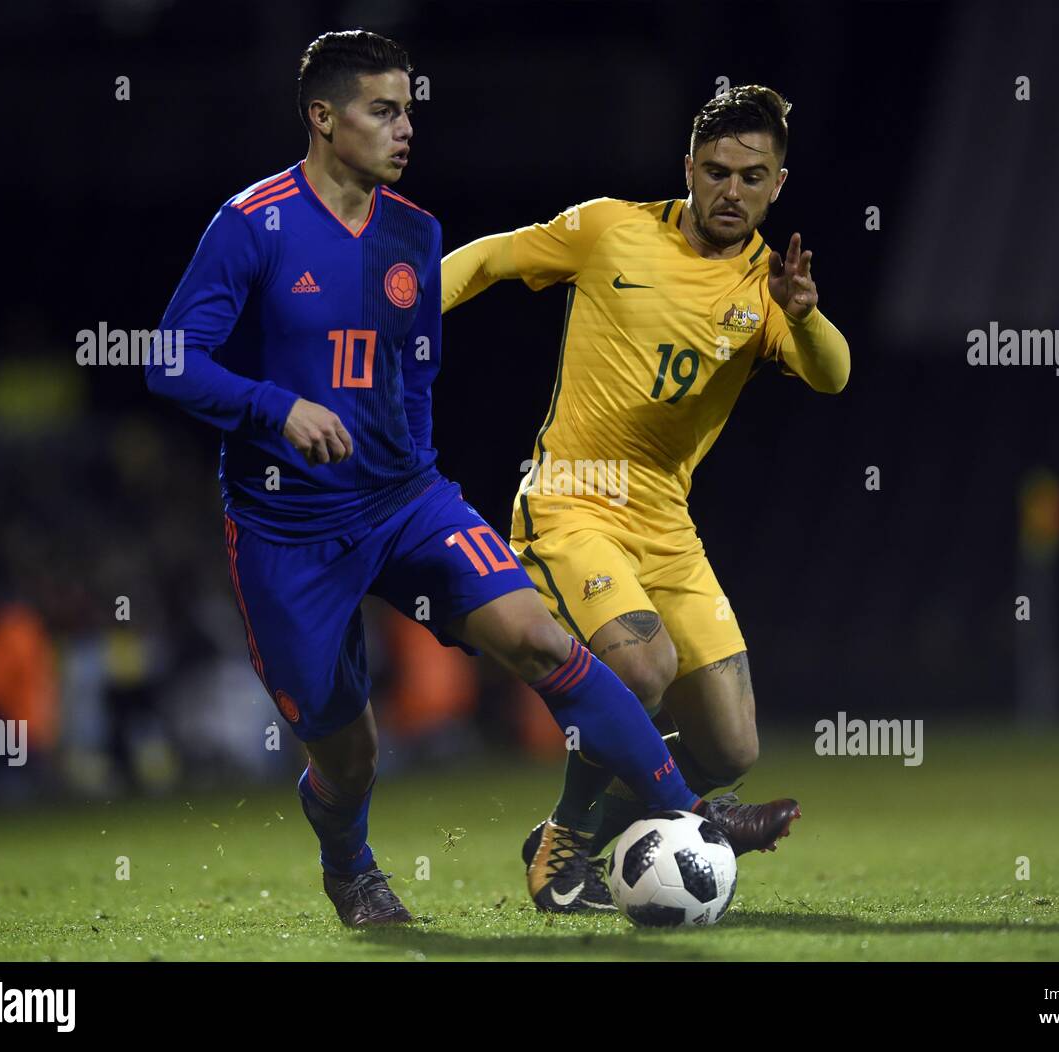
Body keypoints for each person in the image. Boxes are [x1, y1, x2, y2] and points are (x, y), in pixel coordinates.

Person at [147, 32, 800, 926]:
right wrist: (276, 409)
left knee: (540, 637)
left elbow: (412, 384)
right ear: (324, 118)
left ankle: (687, 814)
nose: (405, 127)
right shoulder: (252, 223)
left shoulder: (415, 234)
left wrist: (420, 486)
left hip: (405, 501)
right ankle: (351, 866)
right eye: (384, 110)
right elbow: (169, 361)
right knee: (350, 755)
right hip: (287, 530)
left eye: (409, 109)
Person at [442, 85, 846, 911]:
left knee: (731, 744)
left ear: (779, 183)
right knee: (641, 668)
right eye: (717, 171)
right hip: (573, 501)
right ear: (688, 170)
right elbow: (488, 259)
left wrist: (802, 316)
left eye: (752, 176)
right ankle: (566, 843)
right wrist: (395, 314)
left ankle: (622, 822)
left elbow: (832, 374)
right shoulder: (609, 229)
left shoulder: (770, 288)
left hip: (665, 521)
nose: (731, 190)